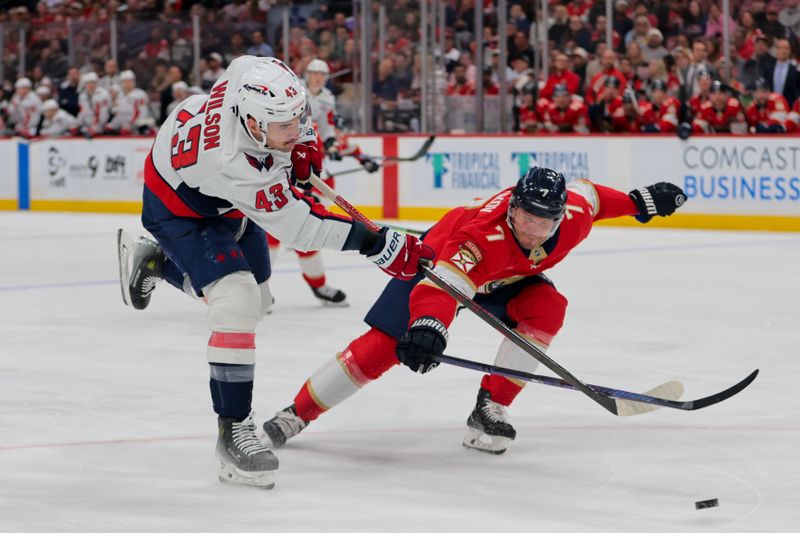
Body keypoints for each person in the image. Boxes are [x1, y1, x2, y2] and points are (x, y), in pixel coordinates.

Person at [116, 56, 431, 489]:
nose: (296, 129)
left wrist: (303, 143)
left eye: (297, 118)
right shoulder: (231, 163)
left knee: (260, 302)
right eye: (284, 127)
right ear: (252, 123)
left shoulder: (253, 78)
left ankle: (156, 265)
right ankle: (233, 432)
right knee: (238, 303)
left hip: (220, 199)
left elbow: (256, 73)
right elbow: (300, 226)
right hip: (180, 211)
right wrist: (376, 244)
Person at [261, 167, 686, 454]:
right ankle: (298, 412)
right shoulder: (481, 236)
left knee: (547, 307)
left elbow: (592, 196)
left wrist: (640, 201)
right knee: (384, 347)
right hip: (440, 264)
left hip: (505, 278)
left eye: (545, 222)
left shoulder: (572, 216)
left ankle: (489, 408)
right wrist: (429, 327)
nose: (534, 229)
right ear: (512, 207)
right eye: (525, 217)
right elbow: (443, 287)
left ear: (560, 218)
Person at [266, 58, 351, 306]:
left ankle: (319, 285)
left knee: (304, 231)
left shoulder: (327, 98)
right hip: (282, 162)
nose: (317, 78)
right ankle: (259, 291)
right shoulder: (291, 93)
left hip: (307, 161)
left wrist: (332, 143)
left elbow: (324, 128)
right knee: (269, 234)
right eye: (313, 73)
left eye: (321, 74)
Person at [107, 70, 155, 135]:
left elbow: (142, 114)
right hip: (123, 127)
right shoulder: (119, 96)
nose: (128, 84)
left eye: (130, 81)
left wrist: (129, 126)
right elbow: (118, 114)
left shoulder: (140, 94)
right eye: (125, 82)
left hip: (139, 127)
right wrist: (112, 125)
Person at [76, 72, 112, 137]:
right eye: (88, 83)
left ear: (96, 83)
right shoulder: (82, 96)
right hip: (86, 126)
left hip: (100, 126)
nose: (90, 85)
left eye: (93, 82)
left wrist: (96, 127)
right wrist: (78, 124)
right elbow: (82, 112)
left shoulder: (103, 94)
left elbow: (104, 114)